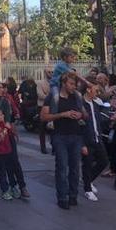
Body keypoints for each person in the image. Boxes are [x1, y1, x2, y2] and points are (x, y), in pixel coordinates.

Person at [41, 72, 85, 209]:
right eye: (71, 84)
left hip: (76, 136)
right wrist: (62, 115)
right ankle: (62, 197)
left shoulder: (77, 97)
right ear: (63, 83)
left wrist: (81, 114)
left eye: (75, 84)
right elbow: (44, 117)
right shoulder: (53, 97)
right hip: (59, 136)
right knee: (62, 166)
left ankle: (73, 195)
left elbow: (86, 114)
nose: (74, 87)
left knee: (75, 168)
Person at [81, 81, 109, 201]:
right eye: (95, 90)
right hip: (87, 138)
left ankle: (88, 180)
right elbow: (79, 125)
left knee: (103, 161)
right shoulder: (81, 104)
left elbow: (100, 118)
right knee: (87, 163)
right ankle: (87, 189)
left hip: (97, 137)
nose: (97, 92)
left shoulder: (96, 102)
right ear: (88, 89)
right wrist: (82, 144)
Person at [36, 69, 52, 154]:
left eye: (52, 72)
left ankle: (54, 147)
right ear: (45, 73)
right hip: (42, 106)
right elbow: (40, 94)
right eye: (49, 72)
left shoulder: (55, 83)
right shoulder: (40, 83)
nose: (51, 73)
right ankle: (43, 147)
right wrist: (50, 97)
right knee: (42, 128)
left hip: (52, 107)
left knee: (54, 127)